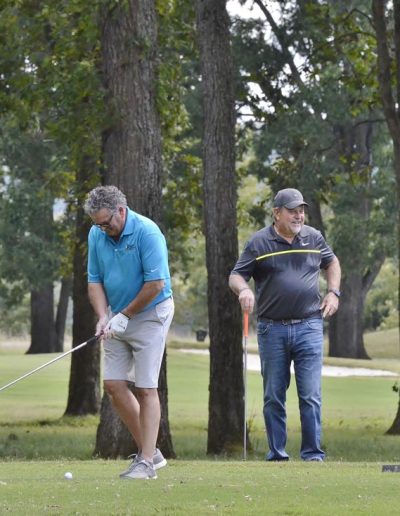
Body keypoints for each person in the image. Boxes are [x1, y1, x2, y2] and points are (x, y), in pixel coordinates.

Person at [229, 188, 341, 462]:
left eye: (301, 211)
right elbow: (236, 276)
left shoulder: (313, 237)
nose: (298, 215)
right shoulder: (259, 242)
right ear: (276, 213)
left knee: (310, 395)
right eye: (292, 211)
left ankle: (312, 454)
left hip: (309, 326)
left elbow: (332, 262)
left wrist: (333, 292)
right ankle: (277, 454)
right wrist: (244, 290)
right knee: (273, 395)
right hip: (272, 329)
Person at [84, 185, 174, 480]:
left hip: (151, 313)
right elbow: (95, 280)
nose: (103, 229)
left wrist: (126, 315)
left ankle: (146, 463)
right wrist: (103, 316)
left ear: (120, 211)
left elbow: (156, 284)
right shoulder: (96, 234)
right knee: (113, 385)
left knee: (146, 388)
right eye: (98, 224)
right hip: (116, 315)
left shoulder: (147, 232)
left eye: (106, 222)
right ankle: (152, 453)